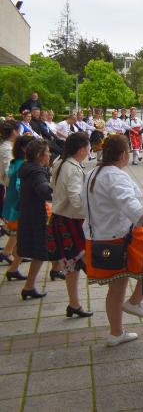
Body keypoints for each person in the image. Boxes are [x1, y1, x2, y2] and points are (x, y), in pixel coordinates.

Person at [82, 135, 143, 347]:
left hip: (98, 237)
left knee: (115, 288)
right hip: (121, 237)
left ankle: (116, 332)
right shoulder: (115, 176)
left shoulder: (92, 173)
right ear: (123, 155)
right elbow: (131, 206)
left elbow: (83, 204)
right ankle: (134, 302)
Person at [47, 132, 92, 317]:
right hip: (71, 222)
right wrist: (92, 214)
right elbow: (76, 199)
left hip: (61, 219)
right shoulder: (71, 168)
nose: (89, 151)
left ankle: (74, 304)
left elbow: (52, 186)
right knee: (82, 261)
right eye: (88, 147)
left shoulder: (59, 162)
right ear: (81, 149)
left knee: (71, 265)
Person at [16, 139, 52, 300]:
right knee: (39, 251)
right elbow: (45, 191)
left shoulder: (27, 168)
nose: (50, 154)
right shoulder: (37, 172)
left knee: (38, 250)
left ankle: (29, 284)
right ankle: (29, 286)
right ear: (39, 155)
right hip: (37, 215)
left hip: (28, 213)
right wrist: (56, 189)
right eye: (47, 152)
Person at [2, 135, 35, 279]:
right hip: (20, 207)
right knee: (24, 238)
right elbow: (19, 186)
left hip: (14, 206)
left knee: (19, 235)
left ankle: (9, 258)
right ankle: (13, 266)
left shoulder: (17, 162)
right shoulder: (23, 165)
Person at [0, 119, 19, 265]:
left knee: (18, 224)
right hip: (10, 189)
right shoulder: (6, 148)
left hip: (12, 188)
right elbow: (9, 170)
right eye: (18, 130)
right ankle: (9, 252)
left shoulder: (10, 146)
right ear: (13, 132)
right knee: (17, 223)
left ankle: (11, 253)